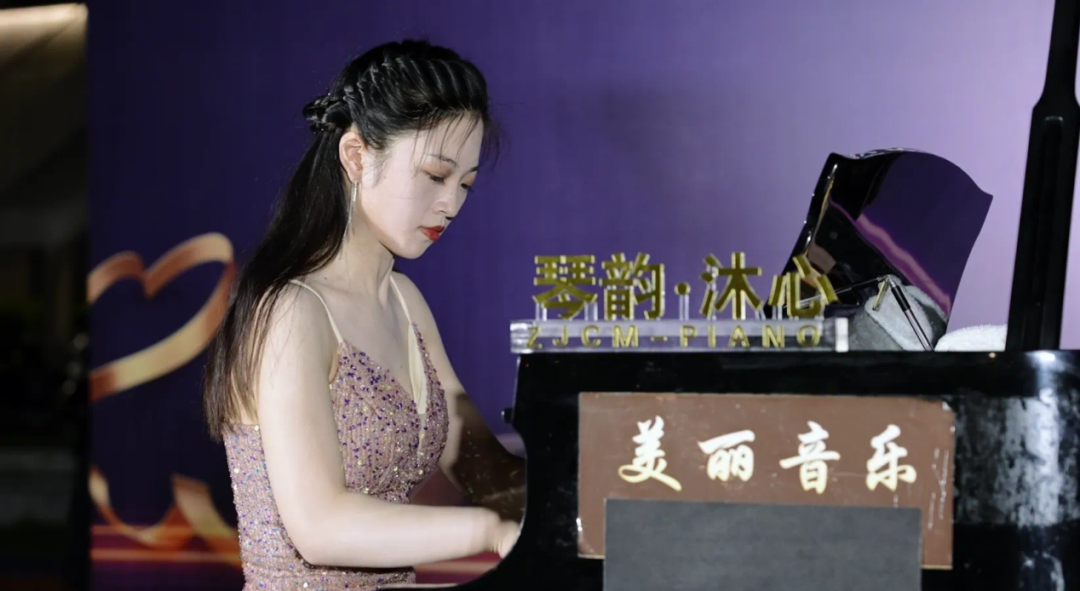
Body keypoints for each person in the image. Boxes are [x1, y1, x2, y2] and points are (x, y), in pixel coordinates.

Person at [202, 40, 525, 590]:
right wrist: (488, 531)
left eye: (466, 185)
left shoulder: (404, 300)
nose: (451, 204)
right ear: (355, 155)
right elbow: (320, 526)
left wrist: (604, 481)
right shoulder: (291, 310)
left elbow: (480, 466)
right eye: (435, 175)